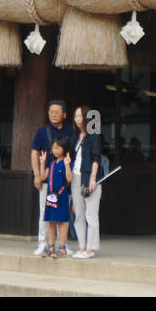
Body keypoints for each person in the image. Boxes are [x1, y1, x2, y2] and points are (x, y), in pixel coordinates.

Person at [31, 101, 76, 256]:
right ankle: (43, 243)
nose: (53, 114)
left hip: (64, 182)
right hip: (47, 180)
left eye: (57, 112)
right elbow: (34, 152)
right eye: (51, 111)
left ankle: (61, 244)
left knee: (62, 214)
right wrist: (37, 174)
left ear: (64, 114)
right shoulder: (42, 131)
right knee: (45, 212)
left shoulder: (70, 131)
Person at [70, 106, 102, 259]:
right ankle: (82, 247)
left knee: (91, 214)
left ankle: (91, 248)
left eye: (79, 116)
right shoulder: (75, 136)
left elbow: (96, 158)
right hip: (76, 177)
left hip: (89, 177)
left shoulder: (94, 135)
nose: (77, 119)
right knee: (79, 214)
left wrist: (93, 178)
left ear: (86, 117)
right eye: (75, 116)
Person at [42, 137, 73, 257]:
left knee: (61, 222)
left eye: (57, 148)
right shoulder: (51, 163)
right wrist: (42, 162)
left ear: (64, 149)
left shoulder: (67, 162)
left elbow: (69, 179)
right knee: (51, 222)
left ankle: (62, 247)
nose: (54, 150)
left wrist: (67, 165)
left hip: (61, 195)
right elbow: (43, 176)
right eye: (53, 148)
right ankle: (50, 247)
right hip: (50, 196)